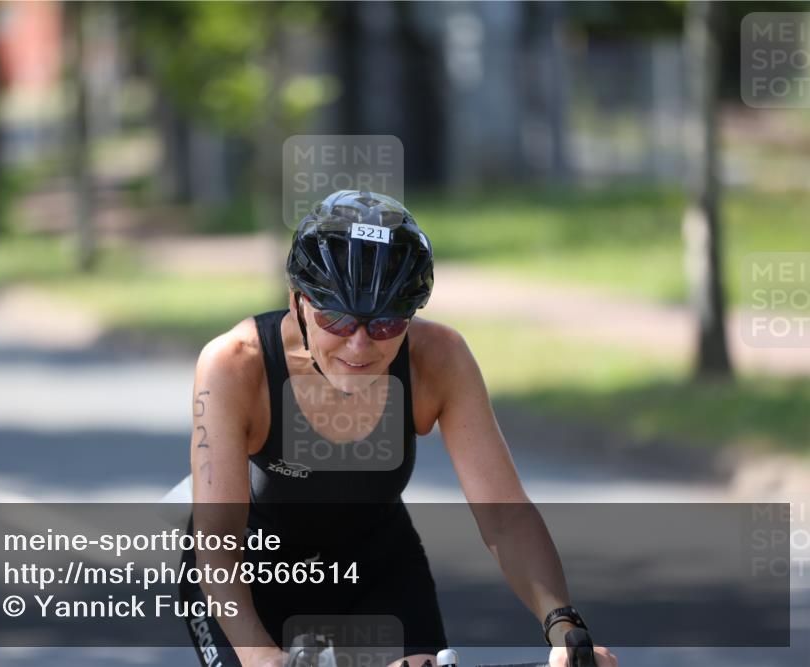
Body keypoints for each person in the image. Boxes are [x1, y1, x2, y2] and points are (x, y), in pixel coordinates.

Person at [179, 190, 618, 667]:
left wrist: (563, 628)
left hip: (377, 570)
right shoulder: (236, 366)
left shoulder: (439, 359)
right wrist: (260, 657)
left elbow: (504, 517)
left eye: (386, 324)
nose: (359, 345)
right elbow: (217, 537)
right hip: (249, 577)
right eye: (337, 318)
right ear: (298, 302)